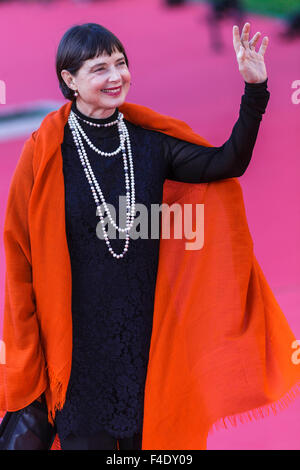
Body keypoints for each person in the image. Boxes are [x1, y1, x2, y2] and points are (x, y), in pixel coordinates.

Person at [2, 21, 284, 451]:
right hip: (75, 354)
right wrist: (26, 347)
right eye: (99, 68)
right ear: (69, 80)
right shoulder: (43, 152)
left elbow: (228, 161)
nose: (116, 77)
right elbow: (19, 252)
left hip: (145, 346)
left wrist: (255, 90)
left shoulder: (151, 144)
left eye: (121, 63)